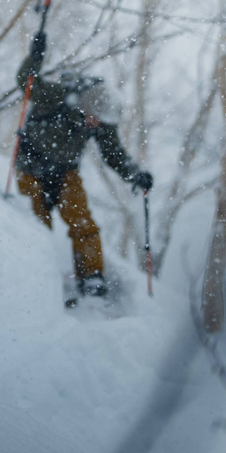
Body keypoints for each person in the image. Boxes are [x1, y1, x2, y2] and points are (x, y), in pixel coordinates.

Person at [14, 29, 153, 301]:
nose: (96, 125)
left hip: (66, 172)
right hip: (31, 168)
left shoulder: (102, 119)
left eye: (100, 122)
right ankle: (37, 276)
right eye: (93, 118)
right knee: (36, 223)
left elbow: (113, 153)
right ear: (85, 106)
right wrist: (35, 56)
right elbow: (26, 82)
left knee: (83, 223)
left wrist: (134, 174)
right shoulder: (57, 96)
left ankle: (91, 278)